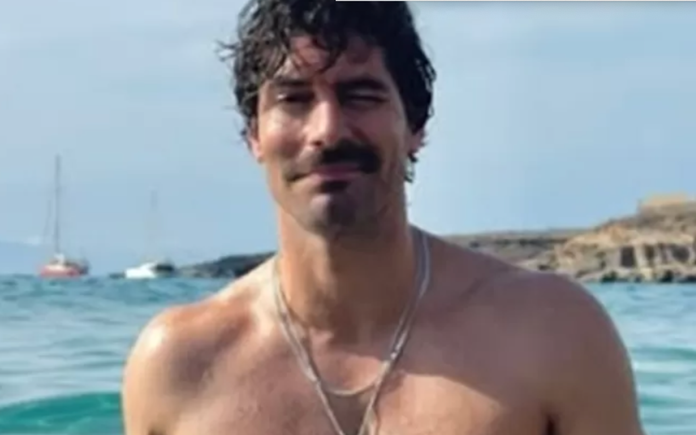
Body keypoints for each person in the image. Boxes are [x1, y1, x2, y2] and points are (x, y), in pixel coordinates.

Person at [121, 1, 646, 434]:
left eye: (360, 95)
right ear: (254, 135)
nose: (327, 130)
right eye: (294, 99)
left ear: (415, 126)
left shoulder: (550, 334)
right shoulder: (179, 365)